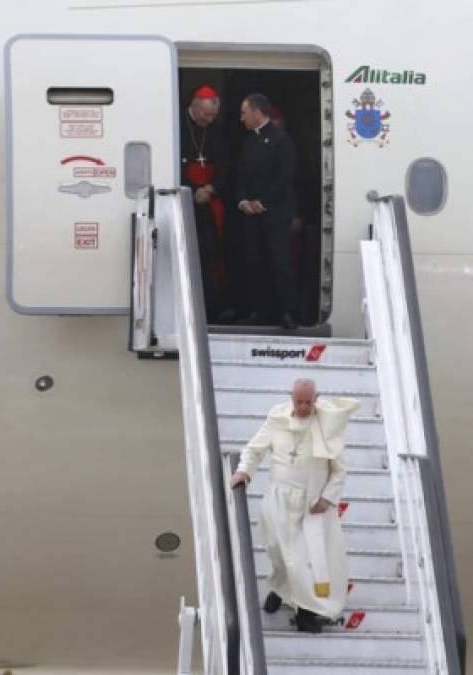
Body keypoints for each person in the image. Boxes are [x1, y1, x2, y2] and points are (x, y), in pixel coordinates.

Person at [230, 378, 359, 632]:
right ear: (291, 397)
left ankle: (306, 614)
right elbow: (254, 450)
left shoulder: (326, 424)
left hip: (311, 505)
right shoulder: (277, 417)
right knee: (278, 551)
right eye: (298, 401)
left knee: (301, 560)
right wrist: (244, 471)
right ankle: (280, 587)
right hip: (279, 499)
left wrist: (327, 497)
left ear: (316, 398)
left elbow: (339, 470)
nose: (303, 407)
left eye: (308, 402)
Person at [236, 93, 297, 329]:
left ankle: (287, 311)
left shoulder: (281, 139)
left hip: (274, 213)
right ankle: (259, 310)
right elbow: (240, 175)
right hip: (250, 214)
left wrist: (262, 202)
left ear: (257, 112)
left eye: (244, 112)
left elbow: (285, 177)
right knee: (255, 262)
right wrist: (242, 200)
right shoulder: (248, 141)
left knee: (279, 262)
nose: (241, 118)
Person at [181, 85, 228, 322]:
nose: (209, 120)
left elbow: (225, 166)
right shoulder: (177, 125)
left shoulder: (215, 131)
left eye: (213, 116)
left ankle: (212, 308)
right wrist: (191, 190)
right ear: (194, 106)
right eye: (205, 115)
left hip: (209, 202)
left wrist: (211, 188)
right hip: (185, 203)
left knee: (212, 254)